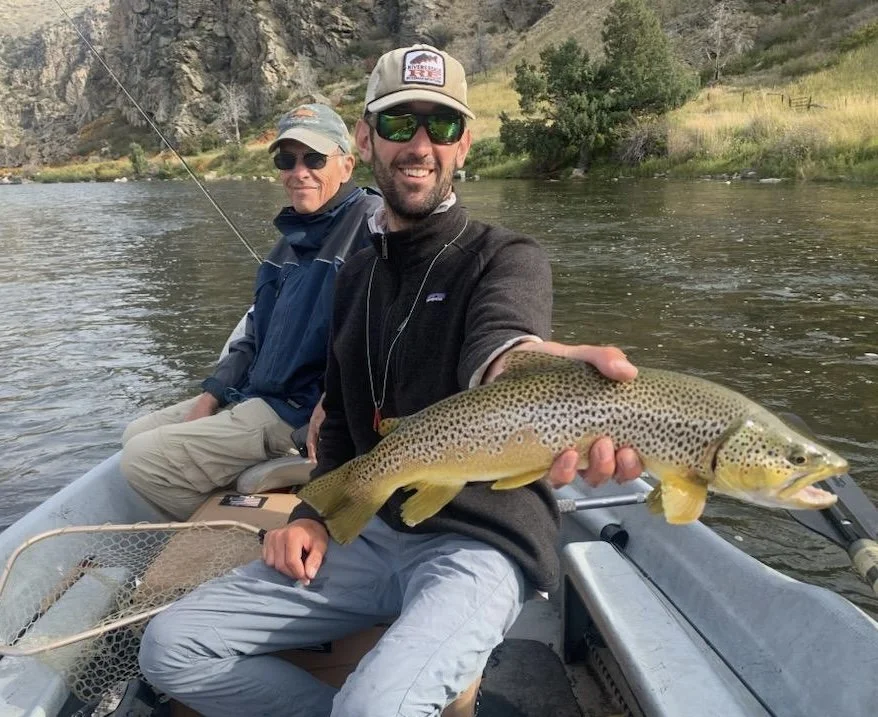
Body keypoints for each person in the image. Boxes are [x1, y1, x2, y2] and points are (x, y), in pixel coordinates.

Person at [138, 45, 643, 715]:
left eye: (441, 125)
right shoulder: (353, 276)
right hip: (372, 531)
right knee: (168, 647)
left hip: (481, 541)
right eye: (401, 124)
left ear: (465, 143)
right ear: (366, 138)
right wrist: (315, 514)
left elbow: (503, 343)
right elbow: (343, 422)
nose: (421, 145)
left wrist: (521, 364)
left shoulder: (508, 258)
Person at [120, 103, 382, 520]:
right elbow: (254, 335)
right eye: (287, 159)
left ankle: (248, 530)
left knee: (142, 460)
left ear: (347, 166)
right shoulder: (288, 243)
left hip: (294, 411)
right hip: (257, 395)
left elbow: (386, 329)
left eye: (314, 158)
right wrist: (212, 395)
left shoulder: (372, 224)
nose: (299, 172)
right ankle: (233, 504)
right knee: (136, 433)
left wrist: (334, 400)